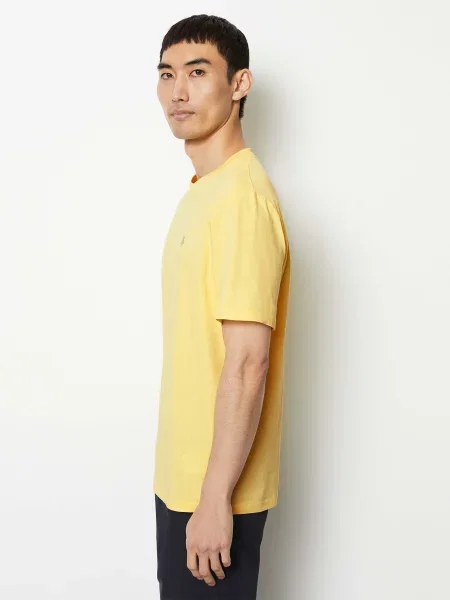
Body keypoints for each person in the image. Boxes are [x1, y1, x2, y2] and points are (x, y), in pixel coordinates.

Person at [153, 13, 291, 600]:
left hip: (216, 495)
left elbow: (248, 362)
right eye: (166, 74)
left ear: (239, 84)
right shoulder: (206, 191)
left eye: (197, 71)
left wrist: (214, 499)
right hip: (184, 482)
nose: (177, 92)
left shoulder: (241, 199)